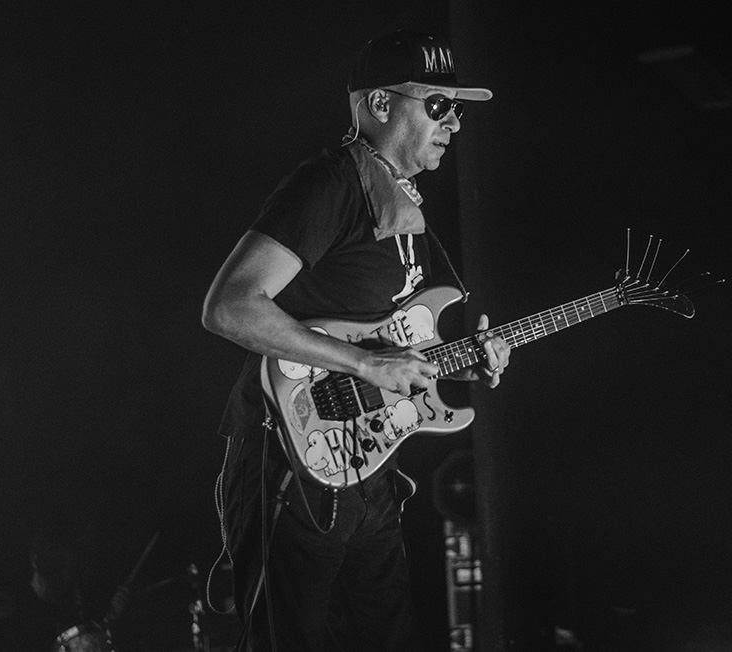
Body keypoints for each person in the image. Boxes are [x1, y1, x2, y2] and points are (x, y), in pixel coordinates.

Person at [201, 29, 510, 652]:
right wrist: (364, 363)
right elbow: (230, 308)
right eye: (439, 106)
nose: (454, 123)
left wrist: (465, 361)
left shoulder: (404, 205)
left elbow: (403, 346)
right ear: (380, 105)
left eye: (459, 109)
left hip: (367, 466)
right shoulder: (331, 186)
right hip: (288, 454)